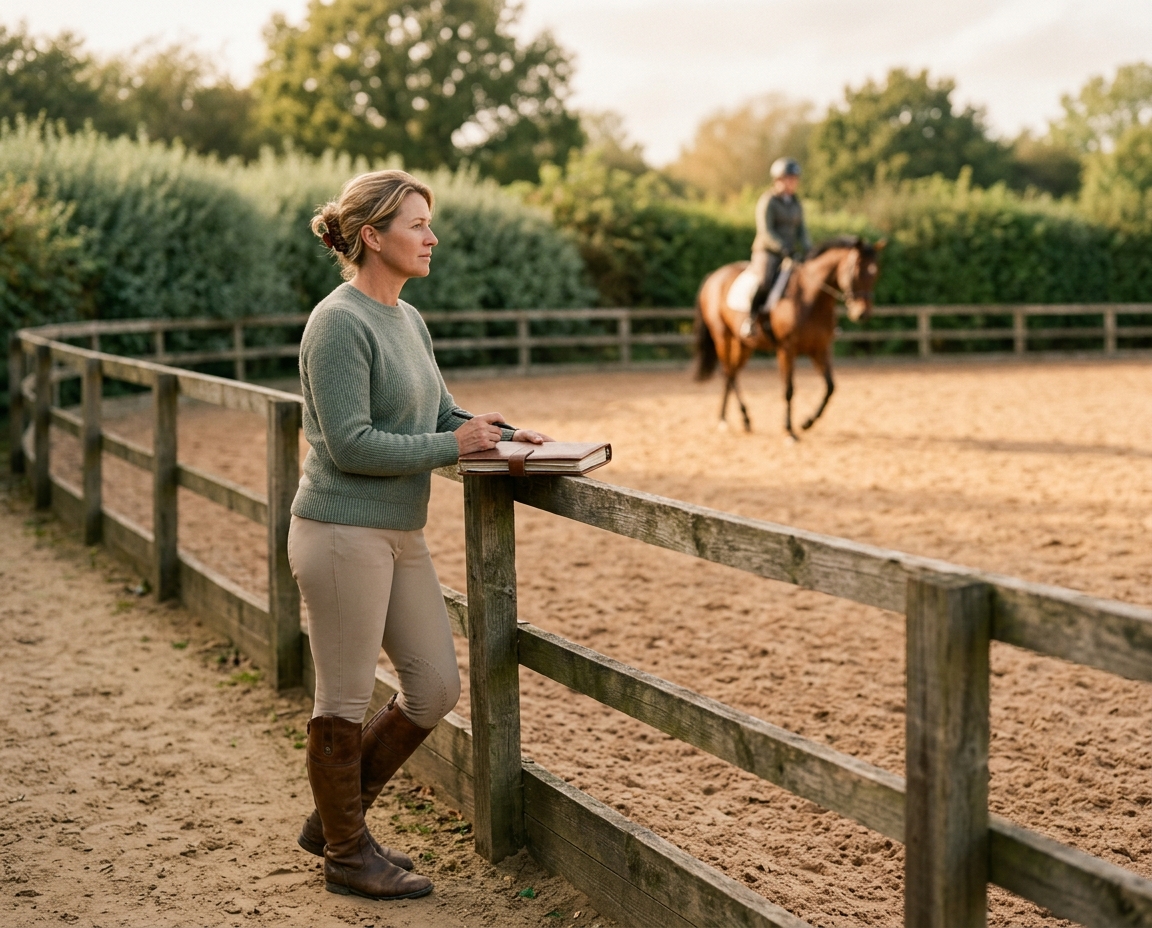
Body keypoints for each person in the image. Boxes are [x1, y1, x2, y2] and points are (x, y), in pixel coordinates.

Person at [288, 170, 550, 901]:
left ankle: (333, 823)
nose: (431, 238)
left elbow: (438, 415)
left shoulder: (407, 319)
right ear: (372, 236)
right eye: (416, 225)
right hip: (340, 531)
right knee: (341, 701)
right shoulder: (337, 322)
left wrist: (495, 433)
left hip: (400, 531)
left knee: (434, 686)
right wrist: (455, 447)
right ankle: (346, 853)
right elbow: (352, 446)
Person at [743, 157, 812, 339]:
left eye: (794, 179)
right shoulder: (768, 202)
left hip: (790, 252)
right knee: (765, 281)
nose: (792, 183)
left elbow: (802, 231)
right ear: (778, 180)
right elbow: (766, 231)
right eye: (789, 179)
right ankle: (750, 319)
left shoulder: (796, 203)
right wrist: (783, 248)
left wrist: (809, 250)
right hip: (767, 252)